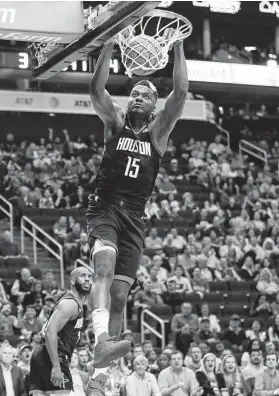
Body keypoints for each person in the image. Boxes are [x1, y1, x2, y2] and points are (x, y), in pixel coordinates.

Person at [86, 29, 188, 389]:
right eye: (133, 94)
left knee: (119, 296)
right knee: (104, 268)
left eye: (145, 95)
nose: (137, 98)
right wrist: (109, 42)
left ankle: (98, 377)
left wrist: (178, 50)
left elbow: (181, 94)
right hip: (105, 207)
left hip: (135, 216)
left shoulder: (159, 132)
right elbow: (96, 91)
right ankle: (100, 341)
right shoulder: (114, 122)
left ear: (154, 104)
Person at [29, 267, 92, 396]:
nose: (87, 278)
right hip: (53, 356)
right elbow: (49, 332)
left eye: (89, 276)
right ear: (73, 281)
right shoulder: (70, 304)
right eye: (83, 275)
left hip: (44, 355)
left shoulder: (77, 305)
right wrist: (56, 366)